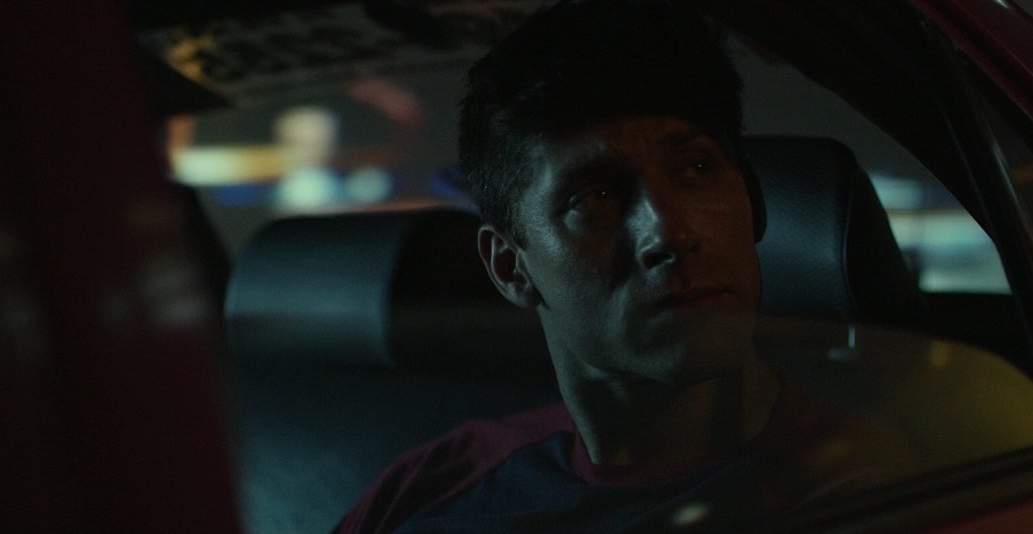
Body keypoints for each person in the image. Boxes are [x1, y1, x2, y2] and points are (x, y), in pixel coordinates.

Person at [337, 1, 914, 531]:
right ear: (510, 268)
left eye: (696, 169)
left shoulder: (862, 501)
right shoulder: (433, 484)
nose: (667, 233)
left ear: (755, 204)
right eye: (595, 198)